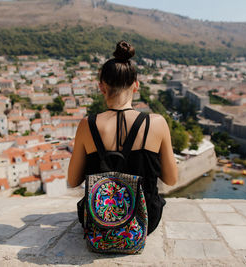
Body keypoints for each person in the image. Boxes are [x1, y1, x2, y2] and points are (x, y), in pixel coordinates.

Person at [67, 40, 177, 235]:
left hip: (98, 222)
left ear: (101, 87)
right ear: (136, 86)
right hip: (144, 222)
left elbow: (73, 180)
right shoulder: (157, 123)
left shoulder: (87, 125)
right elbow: (171, 179)